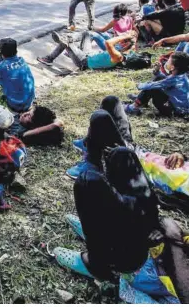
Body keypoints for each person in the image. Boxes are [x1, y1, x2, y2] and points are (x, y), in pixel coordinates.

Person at [53, 110, 160, 282]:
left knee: (87, 182)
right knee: (118, 149)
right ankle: (91, 160)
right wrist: (163, 228)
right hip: (147, 229)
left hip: (138, 261)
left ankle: (97, 265)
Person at [124, 51, 189, 117]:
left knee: (152, 88)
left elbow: (157, 84)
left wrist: (140, 85)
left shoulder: (175, 79)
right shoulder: (181, 76)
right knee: (159, 78)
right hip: (181, 108)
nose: (166, 62)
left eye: (168, 61)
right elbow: (165, 81)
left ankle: (133, 108)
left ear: (172, 67)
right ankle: (141, 99)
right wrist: (158, 72)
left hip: (175, 111)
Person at [37, 30, 138, 71]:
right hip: (90, 54)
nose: (120, 40)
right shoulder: (124, 49)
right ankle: (70, 41)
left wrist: (125, 36)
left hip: (84, 62)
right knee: (87, 34)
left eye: (122, 40)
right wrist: (129, 36)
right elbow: (134, 45)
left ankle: (49, 59)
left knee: (65, 43)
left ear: (126, 43)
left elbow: (108, 43)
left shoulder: (118, 56)